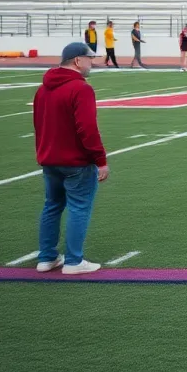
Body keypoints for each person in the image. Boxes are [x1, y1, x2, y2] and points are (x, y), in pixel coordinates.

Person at [33, 41, 110, 275]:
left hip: (49, 159)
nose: (92, 64)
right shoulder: (81, 88)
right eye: (89, 59)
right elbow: (87, 128)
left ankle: (46, 258)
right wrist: (100, 160)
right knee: (79, 207)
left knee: (52, 206)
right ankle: (74, 261)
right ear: (77, 60)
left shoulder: (42, 89)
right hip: (75, 161)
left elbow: (39, 124)